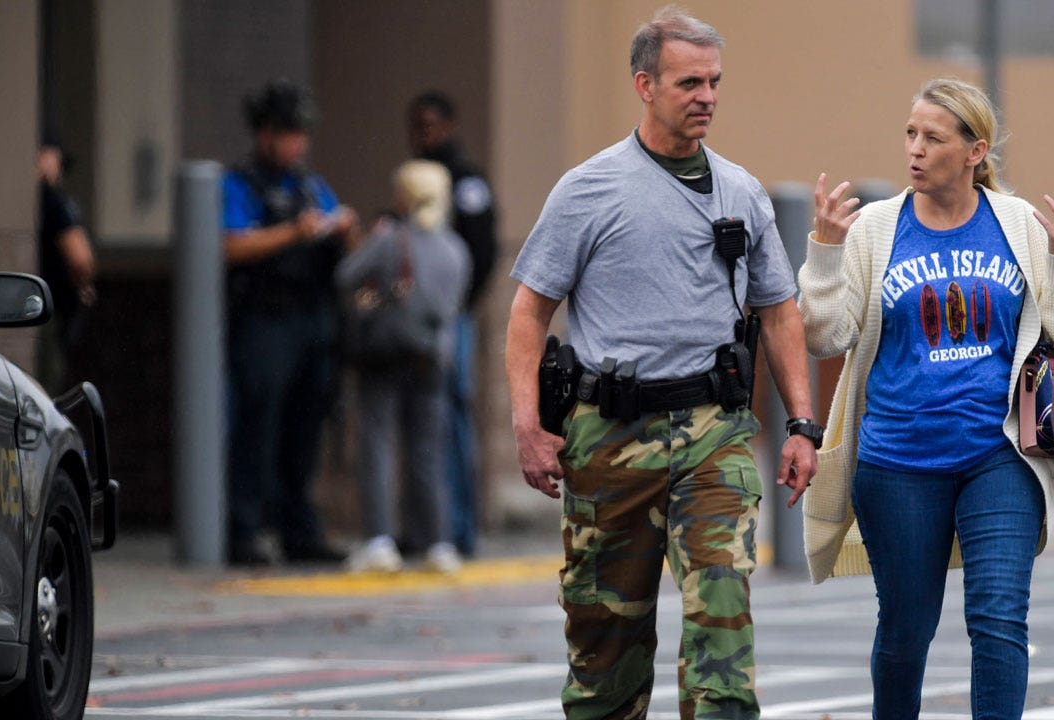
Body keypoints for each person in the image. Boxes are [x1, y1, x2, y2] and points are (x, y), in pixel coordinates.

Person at [506, 7, 820, 718]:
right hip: (608, 439)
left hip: (715, 432)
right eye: (689, 83)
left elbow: (779, 310)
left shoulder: (742, 191)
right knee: (605, 652)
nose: (706, 96)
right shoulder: (589, 189)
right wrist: (527, 423)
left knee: (722, 621)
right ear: (645, 85)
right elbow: (529, 311)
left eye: (713, 82)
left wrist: (802, 422)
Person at [797, 78, 1054, 718]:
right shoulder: (876, 227)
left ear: (974, 150)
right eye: (910, 134)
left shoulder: (1016, 225)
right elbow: (826, 335)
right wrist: (822, 252)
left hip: (999, 455)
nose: (915, 149)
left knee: (999, 620)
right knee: (905, 633)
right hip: (898, 460)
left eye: (933, 137)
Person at [222, 78, 359, 566]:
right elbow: (229, 245)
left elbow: (345, 251)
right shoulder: (240, 184)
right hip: (265, 321)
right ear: (265, 135)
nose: (297, 144)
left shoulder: (310, 186)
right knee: (257, 426)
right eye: (289, 134)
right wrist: (291, 233)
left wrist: (346, 231)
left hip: (313, 321)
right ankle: (245, 530)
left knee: (305, 430)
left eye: (302, 134)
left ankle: (299, 531)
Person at [337, 160, 471, 575]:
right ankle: (437, 542)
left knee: (377, 444)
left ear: (404, 196)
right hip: (433, 358)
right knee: (429, 452)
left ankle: (380, 541)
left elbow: (345, 277)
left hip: (386, 353)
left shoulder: (391, 238)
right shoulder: (455, 248)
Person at [407, 91, 498, 558]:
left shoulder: (465, 181)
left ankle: (458, 527)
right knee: (422, 422)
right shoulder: (416, 177)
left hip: (451, 316)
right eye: (416, 126)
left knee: (453, 415)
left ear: (449, 125)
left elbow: (483, 251)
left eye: (430, 124)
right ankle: (427, 525)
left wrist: (458, 305)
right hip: (416, 317)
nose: (423, 135)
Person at [35, 137, 96, 391]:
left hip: (52, 308)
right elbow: (80, 258)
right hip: (49, 309)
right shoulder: (51, 200)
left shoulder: (51, 201)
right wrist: (82, 283)